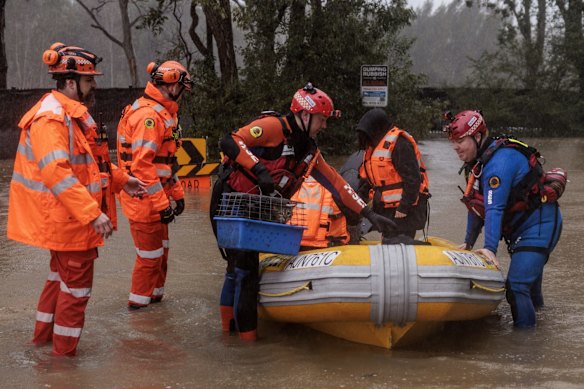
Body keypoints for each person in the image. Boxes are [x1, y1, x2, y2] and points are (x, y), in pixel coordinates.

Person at [210, 82, 396, 341]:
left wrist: (368, 213)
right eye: (322, 119)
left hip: (256, 207)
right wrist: (259, 170)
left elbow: (338, 185)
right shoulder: (273, 127)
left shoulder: (309, 151)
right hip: (232, 200)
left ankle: (227, 336)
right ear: (305, 115)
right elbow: (230, 140)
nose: (324, 125)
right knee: (245, 271)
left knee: (237, 270)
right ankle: (247, 350)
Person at [7, 42, 145, 356]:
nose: (94, 84)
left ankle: (43, 345)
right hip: (70, 221)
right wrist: (92, 215)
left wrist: (122, 180)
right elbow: (57, 173)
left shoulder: (69, 116)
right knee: (76, 290)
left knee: (59, 280)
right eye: (89, 80)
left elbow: (90, 164)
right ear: (71, 82)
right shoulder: (53, 119)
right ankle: (63, 361)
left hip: (68, 219)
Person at [443, 110, 563, 328]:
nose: (456, 147)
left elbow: (494, 208)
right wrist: (468, 243)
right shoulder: (478, 163)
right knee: (530, 289)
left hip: (540, 226)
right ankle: (542, 330)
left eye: (460, 140)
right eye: (454, 142)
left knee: (517, 286)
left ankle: (524, 347)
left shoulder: (498, 164)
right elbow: (477, 207)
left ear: (477, 137)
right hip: (523, 229)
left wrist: (489, 248)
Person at [117, 60, 192, 309]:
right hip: (143, 200)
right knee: (150, 258)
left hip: (155, 198)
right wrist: (162, 203)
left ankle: (156, 302)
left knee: (161, 254)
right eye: (182, 87)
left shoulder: (164, 113)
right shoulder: (149, 116)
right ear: (171, 85)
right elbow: (142, 166)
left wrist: (177, 194)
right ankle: (139, 313)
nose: (183, 93)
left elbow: (165, 162)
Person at [356, 108, 430, 243]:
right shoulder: (373, 149)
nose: (363, 140)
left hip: (405, 211)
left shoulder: (399, 144)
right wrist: (357, 203)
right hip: (386, 209)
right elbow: (368, 182)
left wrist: (404, 207)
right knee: (387, 242)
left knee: (398, 245)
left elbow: (413, 179)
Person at [290, 175, 350, 250]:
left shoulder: (294, 183)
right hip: (327, 244)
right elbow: (353, 218)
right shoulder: (335, 186)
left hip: (295, 240)